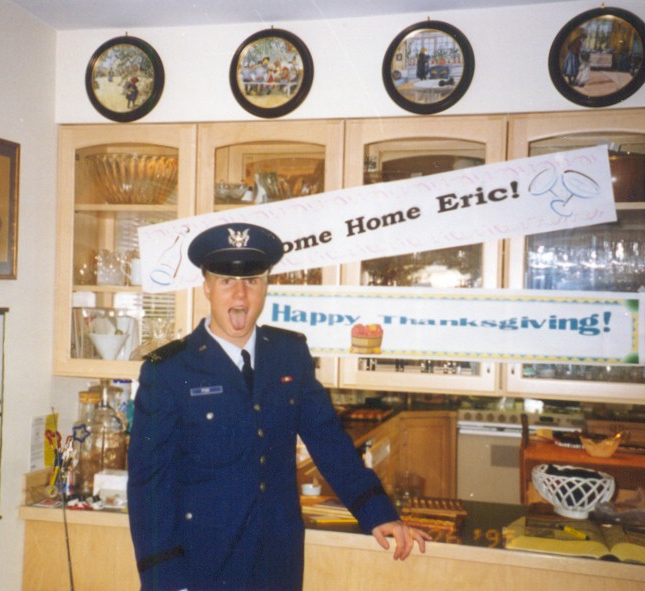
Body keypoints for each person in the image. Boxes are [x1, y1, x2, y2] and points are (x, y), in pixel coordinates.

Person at [127, 222, 430, 591]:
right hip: (201, 565)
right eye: (226, 280)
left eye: (252, 280)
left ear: (266, 285)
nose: (240, 293)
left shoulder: (289, 354)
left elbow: (329, 442)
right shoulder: (169, 369)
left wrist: (378, 512)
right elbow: (149, 487)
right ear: (207, 286)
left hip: (277, 562)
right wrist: (163, 581)